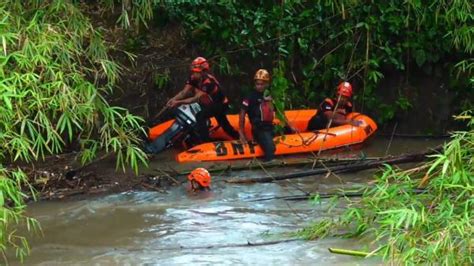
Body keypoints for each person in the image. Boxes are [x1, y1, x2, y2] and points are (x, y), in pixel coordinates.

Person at [166, 57, 239, 142]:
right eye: (193, 71)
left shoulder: (208, 82)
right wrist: (173, 99)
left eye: (196, 72)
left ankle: (205, 141)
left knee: (200, 116)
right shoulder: (193, 78)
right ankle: (236, 136)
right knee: (222, 123)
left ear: (203, 72)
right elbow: (183, 93)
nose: (193, 74)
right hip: (210, 104)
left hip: (220, 104)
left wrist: (178, 102)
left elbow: (195, 99)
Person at [238, 69, 295, 162]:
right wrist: (241, 133)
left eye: (262, 84)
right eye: (257, 84)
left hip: (270, 127)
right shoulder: (250, 97)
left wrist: (290, 126)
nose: (259, 86)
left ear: (267, 84)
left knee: (288, 129)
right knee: (270, 150)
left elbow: (280, 112)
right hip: (259, 129)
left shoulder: (271, 96)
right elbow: (242, 113)